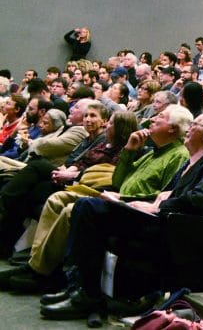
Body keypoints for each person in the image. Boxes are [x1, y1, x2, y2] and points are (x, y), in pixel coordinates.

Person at [40, 111, 203, 320]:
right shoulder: (193, 161)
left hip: (173, 227)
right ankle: (80, 287)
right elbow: (165, 194)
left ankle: (85, 293)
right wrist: (130, 201)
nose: (189, 128)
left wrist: (157, 206)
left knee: (88, 208)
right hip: (161, 217)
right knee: (88, 207)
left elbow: (200, 199)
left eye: (194, 124)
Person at [0, 109, 135, 291]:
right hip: (70, 177)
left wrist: (72, 173)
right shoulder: (100, 144)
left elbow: (107, 176)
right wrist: (69, 170)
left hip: (86, 187)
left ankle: (39, 268)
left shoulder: (121, 150)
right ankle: (27, 256)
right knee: (32, 190)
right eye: (86, 115)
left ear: (120, 128)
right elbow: (77, 161)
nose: (90, 120)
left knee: (36, 169)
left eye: (108, 122)